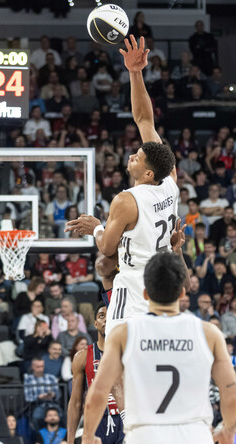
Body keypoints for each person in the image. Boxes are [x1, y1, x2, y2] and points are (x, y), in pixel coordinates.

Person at [65, 35, 181, 337]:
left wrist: (96, 227)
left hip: (135, 287)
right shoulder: (170, 180)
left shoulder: (127, 199)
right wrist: (135, 72)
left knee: (118, 359)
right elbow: (144, 119)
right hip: (163, 284)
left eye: (137, 157)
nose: (132, 155)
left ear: (147, 174)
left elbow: (106, 246)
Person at [79, 252, 236, 444]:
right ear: (182, 293)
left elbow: (98, 392)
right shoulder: (209, 333)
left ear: (145, 293)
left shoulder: (123, 334)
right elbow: (231, 393)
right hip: (194, 436)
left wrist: (87, 436)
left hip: (144, 437)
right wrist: (229, 431)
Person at [66, 304, 124, 444]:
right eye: (101, 316)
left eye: (110, 316)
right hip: (98, 422)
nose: (106, 319)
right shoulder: (82, 356)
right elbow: (75, 402)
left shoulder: (129, 352)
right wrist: (70, 441)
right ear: (95, 323)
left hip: (124, 419)